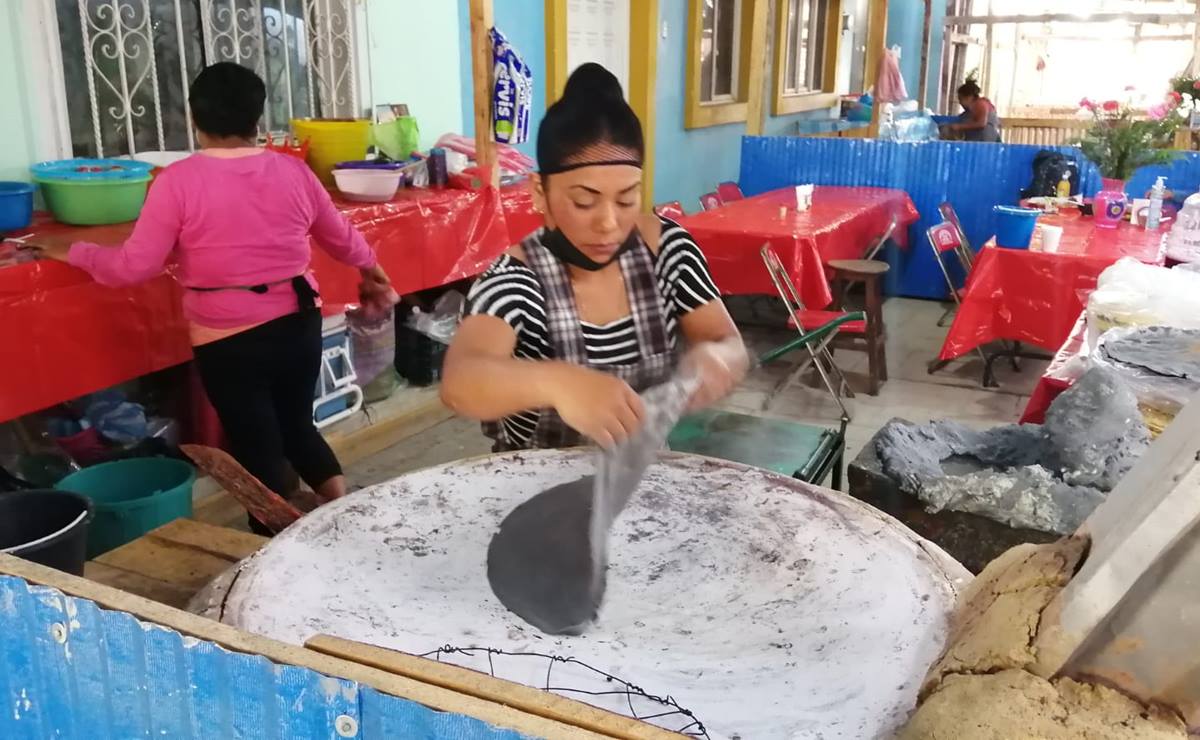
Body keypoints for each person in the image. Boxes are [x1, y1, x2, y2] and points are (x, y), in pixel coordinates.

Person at [32, 63, 393, 532]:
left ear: (194, 119)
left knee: (256, 443)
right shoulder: (293, 172)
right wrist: (372, 269)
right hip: (297, 320)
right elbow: (340, 235)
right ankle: (343, 516)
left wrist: (73, 250)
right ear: (257, 120)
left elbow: (132, 267)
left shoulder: (178, 181)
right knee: (298, 426)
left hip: (228, 337)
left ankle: (274, 544)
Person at [441, 63, 747, 451]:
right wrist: (559, 383)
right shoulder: (515, 280)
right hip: (534, 488)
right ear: (540, 191)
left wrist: (717, 358)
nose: (608, 223)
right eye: (584, 201)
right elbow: (461, 381)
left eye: (626, 199)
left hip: (644, 475)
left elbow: (724, 339)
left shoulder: (668, 253)